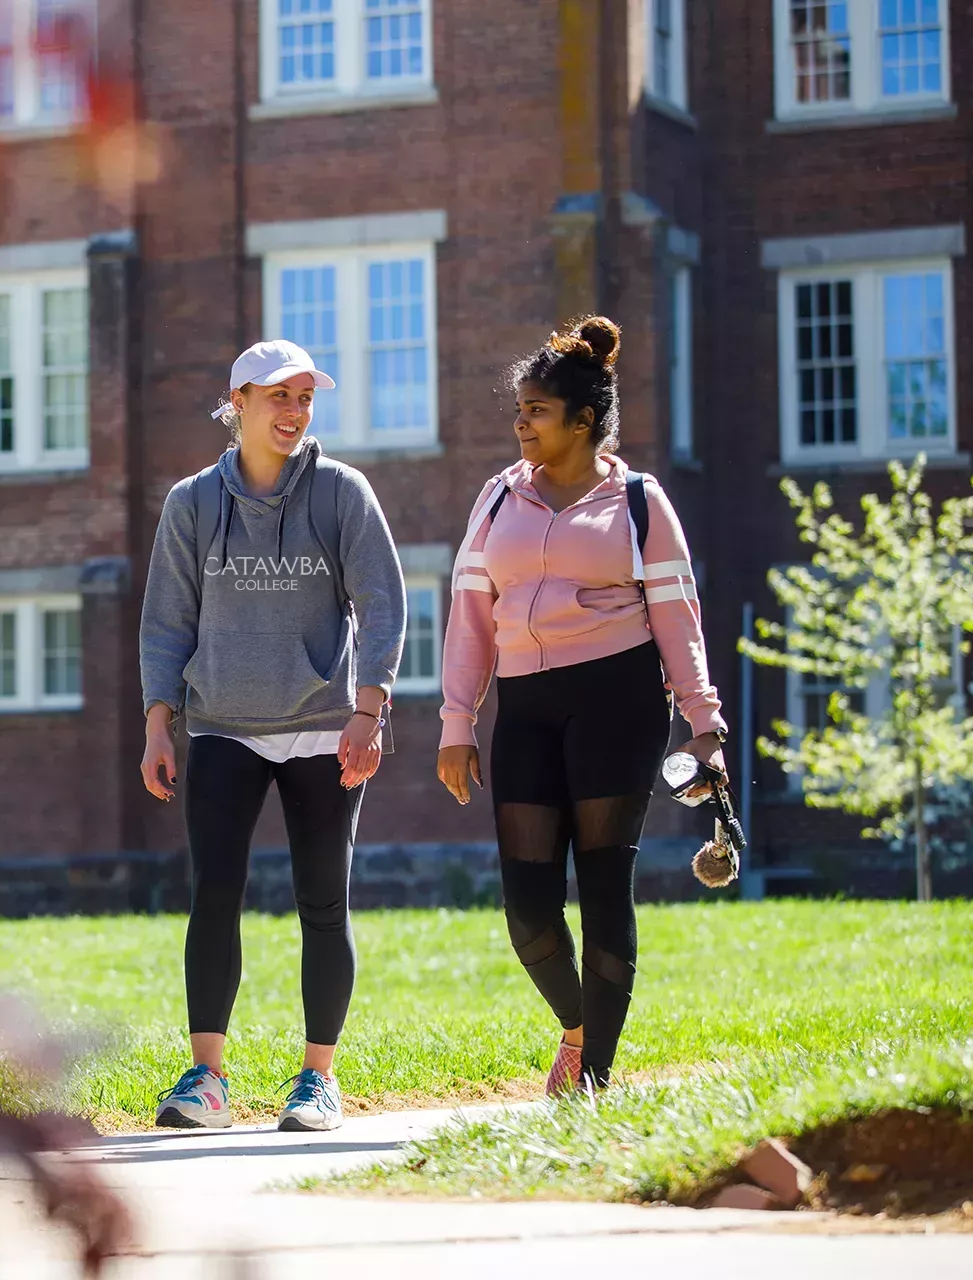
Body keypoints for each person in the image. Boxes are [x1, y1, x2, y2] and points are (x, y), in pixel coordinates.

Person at [436, 316, 728, 1097]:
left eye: (536, 410)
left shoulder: (637, 501)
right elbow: (470, 614)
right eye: (520, 410)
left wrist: (705, 726)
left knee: (603, 884)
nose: (521, 423)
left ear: (583, 420)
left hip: (617, 700)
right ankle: (578, 1026)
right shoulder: (498, 498)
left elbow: (678, 616)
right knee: (528, 906)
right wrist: (457, 721)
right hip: (526, 707)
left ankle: (591, 1076)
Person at [139, 339, 406, 1132]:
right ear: (239, 404)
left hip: (324, 729)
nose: (295, 412)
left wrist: (370, 711)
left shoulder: (340, 493)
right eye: (279, 397)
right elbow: (166, 620)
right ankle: (207, 1080)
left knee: (323, 902)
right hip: (224, 724)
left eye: (305, 399)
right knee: (213, 897)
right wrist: (158, 722)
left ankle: (317, 1080)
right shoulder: (192, 503)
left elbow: (383, 603)